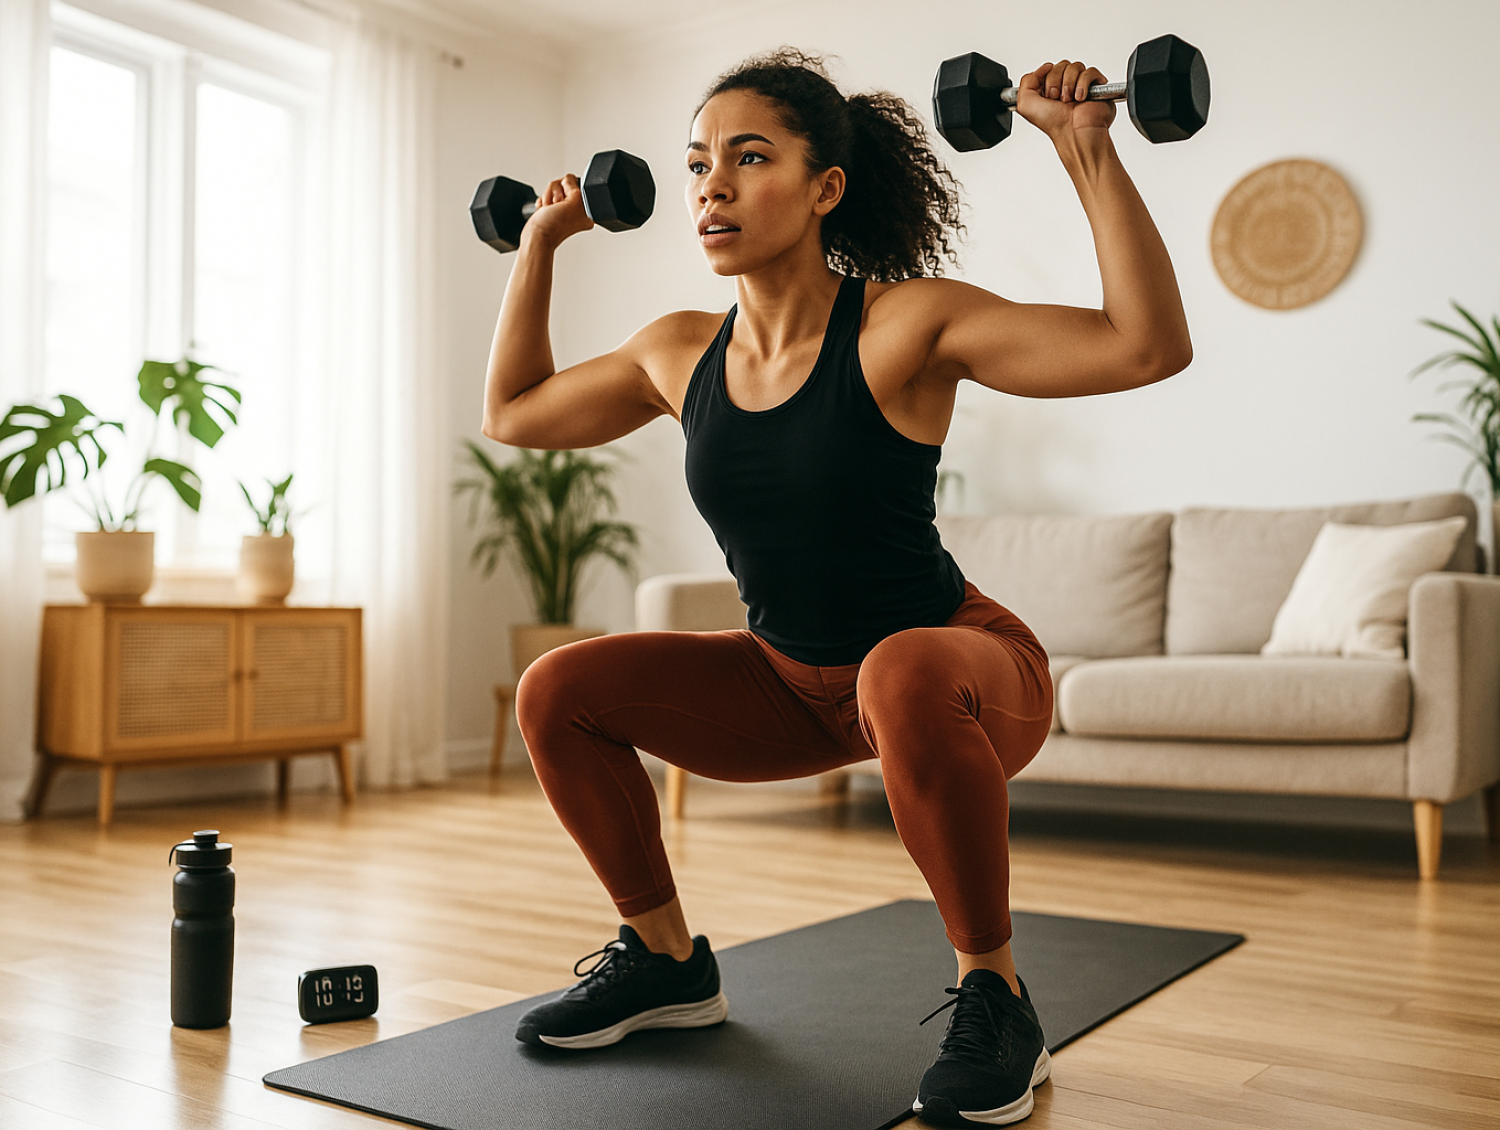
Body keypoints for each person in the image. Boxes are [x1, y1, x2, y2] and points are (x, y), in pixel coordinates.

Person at [482, 47, 1191, 1128]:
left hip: (956, 669)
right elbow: (516, 413)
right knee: (555, 687)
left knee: (900, 664)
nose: (712, 184)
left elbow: (1145, 347)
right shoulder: (678, 353)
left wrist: (1085, 149)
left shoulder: (905, 325)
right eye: (697, 163)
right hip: (787, 684)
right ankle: (668, 963)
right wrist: (539, 243)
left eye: (749, 157)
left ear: (826, 189)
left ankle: (997, 994)